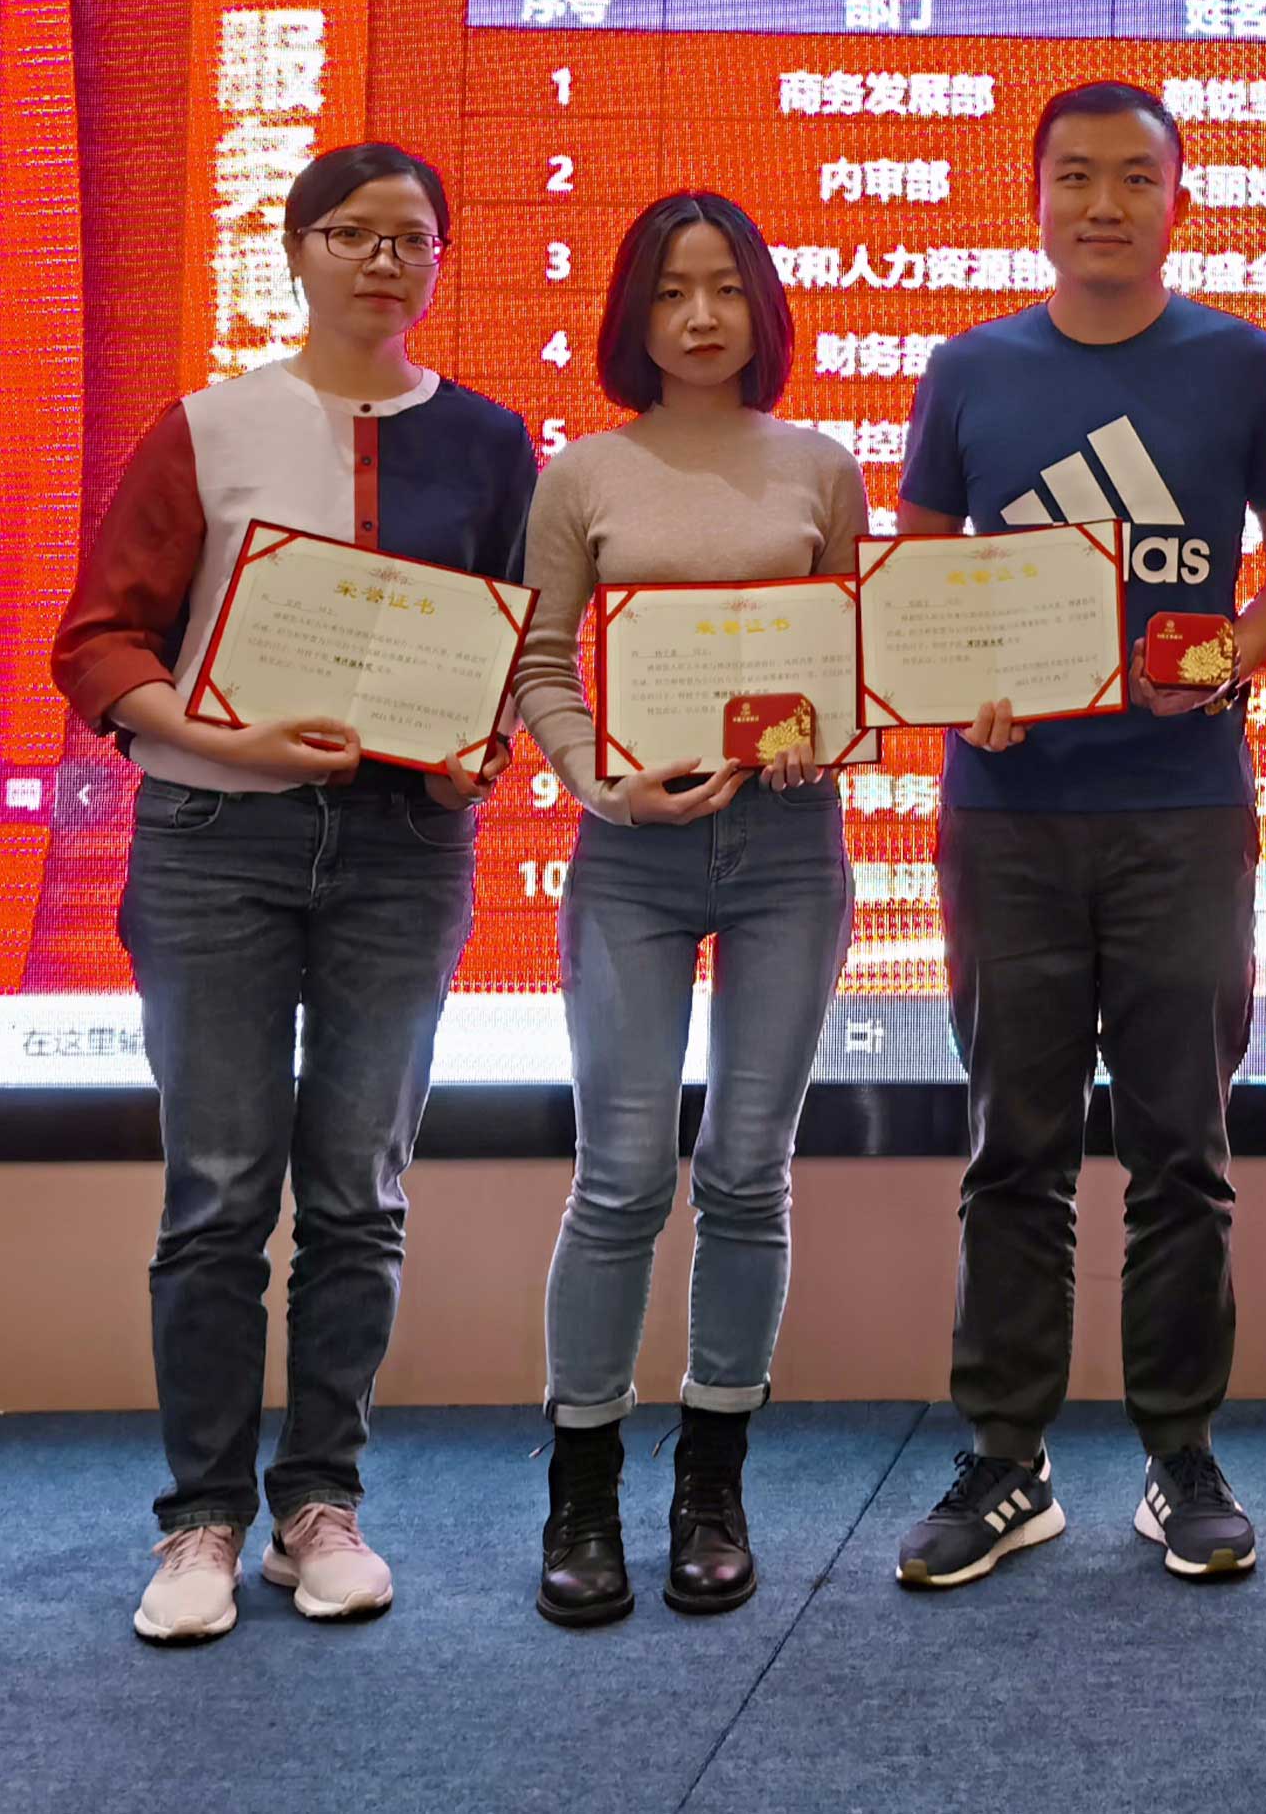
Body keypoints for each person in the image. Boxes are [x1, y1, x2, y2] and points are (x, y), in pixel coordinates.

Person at [52, 143, 538, 1645]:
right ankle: (198, 1521)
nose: (383, 261)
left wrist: (474, 760)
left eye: (412, 238)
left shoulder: (491, 440)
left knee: (357, 1194)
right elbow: (100, 642)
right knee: (214, 1192)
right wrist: (227, 737)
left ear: (440, 261)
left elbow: (505, 648)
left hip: (402, 853)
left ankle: (319, 1507)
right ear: (297, 250)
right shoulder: (211, 423)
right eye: (351, 234)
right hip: (216, 840)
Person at [888, 80, 1266, 1591]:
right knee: (1013, 1151)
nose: (1103, 205)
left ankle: (1179, 1454)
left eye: (1135, 178)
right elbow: (920, 586)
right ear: (1034, 199)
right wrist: (961, 686)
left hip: (1183, 809)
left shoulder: (1241, 363)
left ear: (1177, 202)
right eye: (1074, 176)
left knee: (1180, 1154)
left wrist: (1233, 657)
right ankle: (1005, 1460)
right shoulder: (969, 370)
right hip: (1006, 814)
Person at [510, 193, 865, 1628]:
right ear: (632, 314)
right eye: (670, 291)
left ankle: (710, 1486)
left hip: (787, 851)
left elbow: (852, 664)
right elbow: (539, 660)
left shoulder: (821, 467)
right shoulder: (582, 473)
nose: (701, 316)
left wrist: (826, 735)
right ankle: (582, 1491)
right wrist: (599, 782)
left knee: (747, 1174)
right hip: (632, 858)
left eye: (723, 287)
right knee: (619, 1179)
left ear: (762, 306)